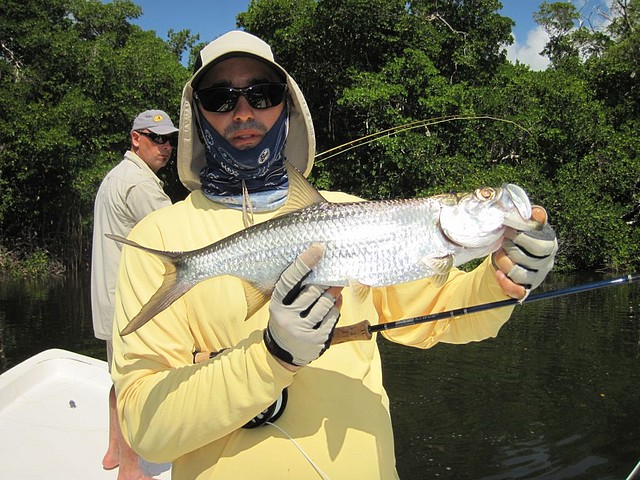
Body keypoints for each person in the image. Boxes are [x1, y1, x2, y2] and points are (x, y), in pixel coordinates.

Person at [111, 31, 558, 479]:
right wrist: (271, 355)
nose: (243, 112)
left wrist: (501, 279)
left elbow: (441, 314)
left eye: (262, 94)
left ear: (286, 104)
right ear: (198, 115)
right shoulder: (162, 235)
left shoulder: (357, 213)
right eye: (219, 97)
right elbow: (145, 427)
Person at [91, 109, 178, 479]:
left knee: (118, 376)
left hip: (110, 301)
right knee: (133, 382)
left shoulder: (117, 175)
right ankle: (130, 469)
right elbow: (176, 233)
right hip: (129, 301)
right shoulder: (140, 185)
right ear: (136, 139)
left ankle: (114, 451)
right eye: (157, 138)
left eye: (169, 139)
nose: (166, 146)